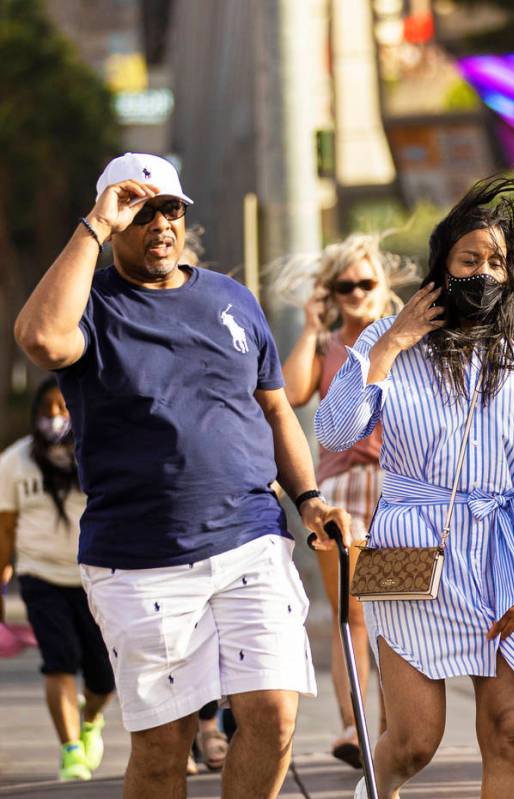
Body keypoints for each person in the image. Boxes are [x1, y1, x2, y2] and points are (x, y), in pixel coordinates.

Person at [14, 152, 348, 799]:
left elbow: (273, 406)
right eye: (140, 210)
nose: (161, 223)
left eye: (170, 208)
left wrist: (307, 497)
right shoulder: (93, 305)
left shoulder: (230, 298)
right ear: (114, 219)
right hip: (140, 558)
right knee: (164, 744)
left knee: (273, 715)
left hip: (251, 536)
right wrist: (93, 225)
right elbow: (39, 339)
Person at [315, 172, 514, 799]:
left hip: (502, 555)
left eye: (496, 263)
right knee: (413, 741)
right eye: (469, 260)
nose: (484, 273)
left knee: (509, 731)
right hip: (408, 548)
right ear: (442, 265)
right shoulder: (387, 338)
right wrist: (391, 345)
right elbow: (333, 430)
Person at [280, 234, 411, 765]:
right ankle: (354, 727)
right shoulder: (326, 344)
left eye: (366, 283)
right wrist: (311, 328)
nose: (356, 292)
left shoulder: (403, 340)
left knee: (396, 615)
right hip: (341, 492)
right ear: (331, 293)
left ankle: (391, 729)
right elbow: (289, 395)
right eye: (345, 285)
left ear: (384, 287)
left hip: (400, 488)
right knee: (351, 614)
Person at [0, 379, 114, 781]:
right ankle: (70, 752)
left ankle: (90, 721)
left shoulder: (97, 456)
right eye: (47, 409)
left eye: (63, 408)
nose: (54, 417)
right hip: (39, 576)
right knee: (59, 661)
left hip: (95, 577)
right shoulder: (14, 462)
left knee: (104, 675)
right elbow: (6, 529)